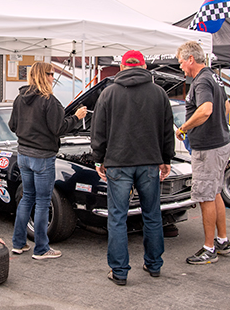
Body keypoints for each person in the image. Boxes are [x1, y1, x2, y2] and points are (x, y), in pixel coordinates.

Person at [91, 50, 173, 285]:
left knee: (117, 217)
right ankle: (154, 264)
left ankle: (119, 272)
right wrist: (166, 159)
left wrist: (99, 159)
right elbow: (168, 130)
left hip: (118, 164)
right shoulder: (159, 93)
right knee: (152, 214)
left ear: (122, 67)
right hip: (149, 163)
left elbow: (99, 131)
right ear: (144, 66)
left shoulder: (109, 93)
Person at [8, 62, 87, 260]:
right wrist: (76, 117)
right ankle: (41, 248)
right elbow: (59, 128)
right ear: (44, 76)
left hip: (23, 155)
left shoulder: (20, 98)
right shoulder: (49, 100)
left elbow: (12, 125)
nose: (54, 78)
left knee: (27, 198)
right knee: (43, 202)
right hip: (42, 157)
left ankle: (18, 243)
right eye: (51, 74)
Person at [175, 41, 230, 265]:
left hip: (208, 148)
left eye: (181, 62)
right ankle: (222, 240)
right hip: (220, 143)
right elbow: (226, 106)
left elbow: (206, 109)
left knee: (206, 196)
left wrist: (184, 128)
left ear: (191, 59)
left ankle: (209, 248)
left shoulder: (201, 81)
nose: (180, 67)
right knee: (215, 192)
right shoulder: (215, 77)